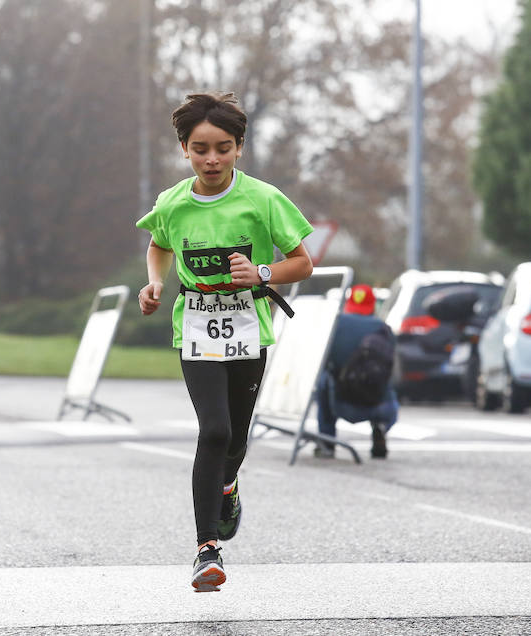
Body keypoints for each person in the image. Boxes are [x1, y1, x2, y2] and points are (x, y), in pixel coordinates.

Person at [136, 92, 313, 592]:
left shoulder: (262, 198)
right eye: (200, 149)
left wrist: (260, 271)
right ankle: (205, 549)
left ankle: (228, 485)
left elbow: (302, 261)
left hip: (248, 327)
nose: (211, 159)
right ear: (185, 150)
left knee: (235, 437)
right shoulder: (173, 202)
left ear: (238, 148)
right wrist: (154, 283)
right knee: (213, 430)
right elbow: (159, 243)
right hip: (195, 325)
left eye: (222, 148)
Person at [315, 284, 399, 460]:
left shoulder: (336, 324)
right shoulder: (384, 328)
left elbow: (322, 362)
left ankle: (327, 442)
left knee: (324, 378)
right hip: (379, 404)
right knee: (382, 377)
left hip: (340, 402)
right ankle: (380, 427)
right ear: (372, 305)